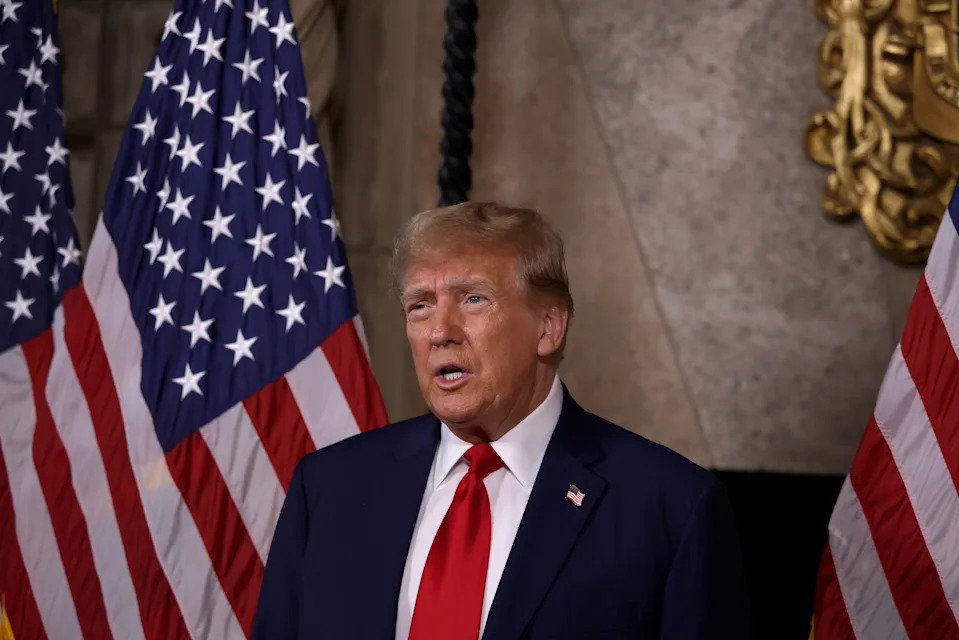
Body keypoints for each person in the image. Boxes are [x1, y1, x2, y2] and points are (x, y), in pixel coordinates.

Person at [252, 202, 750, 639]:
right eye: (420, 306)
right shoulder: (329, 488)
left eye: (473, 299)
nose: (440, 332)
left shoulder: (669, 506)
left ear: (548, 327)